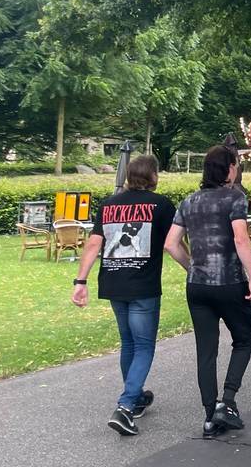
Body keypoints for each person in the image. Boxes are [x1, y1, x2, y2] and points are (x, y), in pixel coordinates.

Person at [71, 155, 182, 436]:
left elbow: (94, 242)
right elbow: (174, 242)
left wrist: (80, 280)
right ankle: (125, 406)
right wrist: (193, 267)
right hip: (143, 285)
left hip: (113, 282)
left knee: (128, 343)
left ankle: (136, 399)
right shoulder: (161, 205)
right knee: (143, 345)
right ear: (153, 175)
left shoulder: (108, 205)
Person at [165, 145, 251, 439]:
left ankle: (210, 416)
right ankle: (228, 401)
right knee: (243, 339)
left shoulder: (189, 201)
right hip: (230, 282)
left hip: (198, 286)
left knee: (206, 351)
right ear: (230, 168)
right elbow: (241, 238)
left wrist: (192, 266)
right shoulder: (235, 197)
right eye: (237, 165)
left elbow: (171, 244)